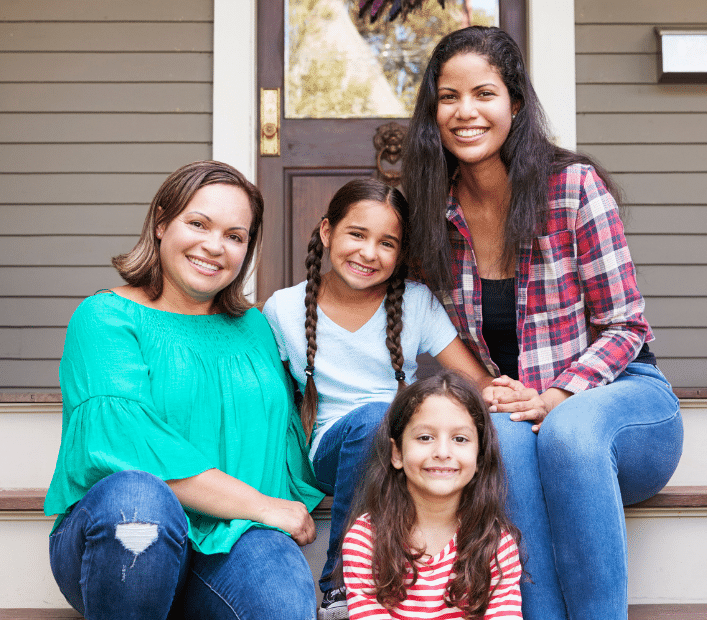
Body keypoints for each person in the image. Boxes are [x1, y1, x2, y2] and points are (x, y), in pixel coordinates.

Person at [401, 26, 684, 620]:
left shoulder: (573, 187)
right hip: (523, 414)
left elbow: (627, 327)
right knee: (494, 440)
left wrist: (557, 394)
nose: (465, 112)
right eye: (448, 97)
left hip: (621, 400)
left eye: (484, 93)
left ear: (516, 105)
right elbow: (411, 314)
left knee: (569, 432)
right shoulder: (434, 212)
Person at [44, 160, 324, 620]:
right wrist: (265, 507)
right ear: (161, 224)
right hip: (123, 539)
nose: (214, 246)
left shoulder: (254, 326)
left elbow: (286, 431)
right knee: (140, 500)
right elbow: (130, 449)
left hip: (230, 538)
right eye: (198, 223)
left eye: (235, 236)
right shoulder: (105, 318)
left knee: (280, 598)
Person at [263, 178, 523, 620]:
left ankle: (474, 577)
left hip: (404, 449)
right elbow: (271, 404)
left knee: (399, 424)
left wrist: (503, 391)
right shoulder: (283, 308)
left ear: (401, 254)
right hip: (330, 450)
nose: (369, 253)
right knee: (371, 421)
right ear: (327, 232)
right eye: (357, 235)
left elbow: (472, 378)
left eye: (387, 243)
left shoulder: (415, 303)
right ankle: (339, 584)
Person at [340, 370, 523, 620]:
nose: (443, 452)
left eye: (460, 439)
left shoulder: (496, 543)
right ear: (397, 453)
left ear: (479, 456)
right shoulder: (365, 539)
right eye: (425, 437)